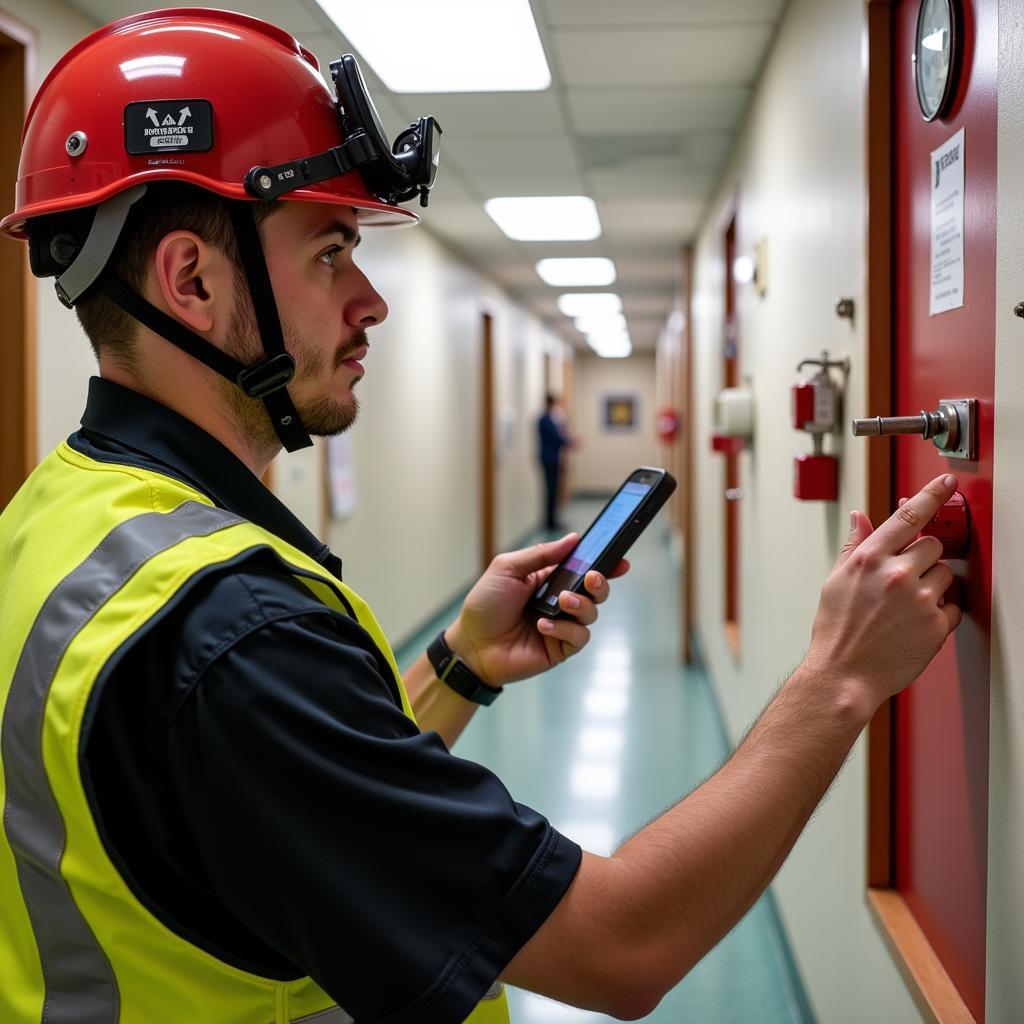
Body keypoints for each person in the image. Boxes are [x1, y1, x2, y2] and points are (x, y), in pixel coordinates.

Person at [0, 11, 961, 1024]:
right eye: (331, 252)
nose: (369, 299)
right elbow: (621, 944)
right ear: (190, 280)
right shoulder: (228, 638)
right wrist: (839, 679)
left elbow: (276, 807)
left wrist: (456, 662)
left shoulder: (59, 515)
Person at [538, 393, 570, 531]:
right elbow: (556, 439)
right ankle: (550, 522)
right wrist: (569, 441)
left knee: (553, 490)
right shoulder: (546, 420)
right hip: (549, 460)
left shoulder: (548, 420)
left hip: (552, 459)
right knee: (551, 491)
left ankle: (552, 520)